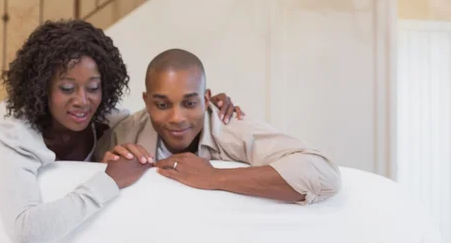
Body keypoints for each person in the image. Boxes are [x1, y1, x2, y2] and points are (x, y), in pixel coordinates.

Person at [0, 20, 244, 243]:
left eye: (93, 88)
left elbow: (162, 114)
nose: (81, 101)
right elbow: (27, 232)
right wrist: (109, 180)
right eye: (67, 88)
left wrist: (204, 107)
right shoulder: (15, 138)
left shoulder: (110, 122)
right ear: (41, 87)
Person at [98, 49, 342, 205]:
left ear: (206, 100)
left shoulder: (231, 126)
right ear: (147, 102)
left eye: (190, 103)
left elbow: (322, 173)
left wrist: (215, 177)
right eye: (162, 104)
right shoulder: (125, 133)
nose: (177, 117)